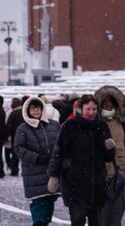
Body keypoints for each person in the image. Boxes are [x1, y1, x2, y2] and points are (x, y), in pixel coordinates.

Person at [48, 94, 116, 226]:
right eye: (88, 109)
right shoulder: (69, 126)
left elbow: (108, 158)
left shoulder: (102, 126)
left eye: (94, 109)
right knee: (78, 218)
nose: (91, 112)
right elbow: (58, 152)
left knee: (96, 221)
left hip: (96, 183)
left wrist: (110, 148)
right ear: (80, 109)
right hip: (74, 182)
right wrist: (53, 175)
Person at [14, 96, 61, 226]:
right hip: (34, 171)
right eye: (33, 108)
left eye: (38, 108)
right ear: (27, 110)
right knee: (39, 201)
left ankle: (44, 222)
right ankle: (39, 223)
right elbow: (19, 148)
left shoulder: (53, 125)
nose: (36, 111)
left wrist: (57, 157)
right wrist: (36, 158)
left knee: (50, 198)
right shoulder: (23, 128)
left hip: (51, 170)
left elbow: (61, 143)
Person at [95, 86, 125, 226]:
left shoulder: (121, 123)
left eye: (110, 101)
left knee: (116, 215)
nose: (108, 104)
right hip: (104, 174)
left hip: (122, 172)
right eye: (105, 101)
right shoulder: (95, 123)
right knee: (105, 216)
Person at [5, 97, 26, 177]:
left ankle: (14, 170)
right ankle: (25, 171)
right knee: (25, 154)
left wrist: (6, 136)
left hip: (15, 135)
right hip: (25, 135)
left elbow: (9, 126)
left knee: (15, 154)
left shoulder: (13, 113)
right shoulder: (25, 112)